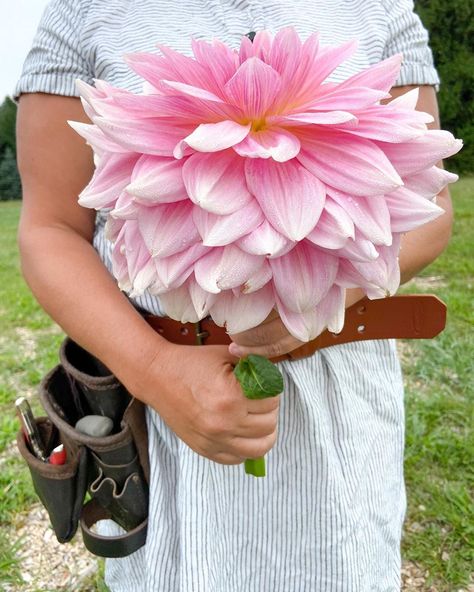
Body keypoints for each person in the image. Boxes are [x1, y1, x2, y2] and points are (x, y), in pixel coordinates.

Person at [15, 0, 452, 590]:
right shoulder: (84, 10)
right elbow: (49, 229)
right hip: (169, 396)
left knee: (344, 563)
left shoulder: (379, 7)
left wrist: (321, 298)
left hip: (336, 384)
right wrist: (154, 369)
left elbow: (428, 203)